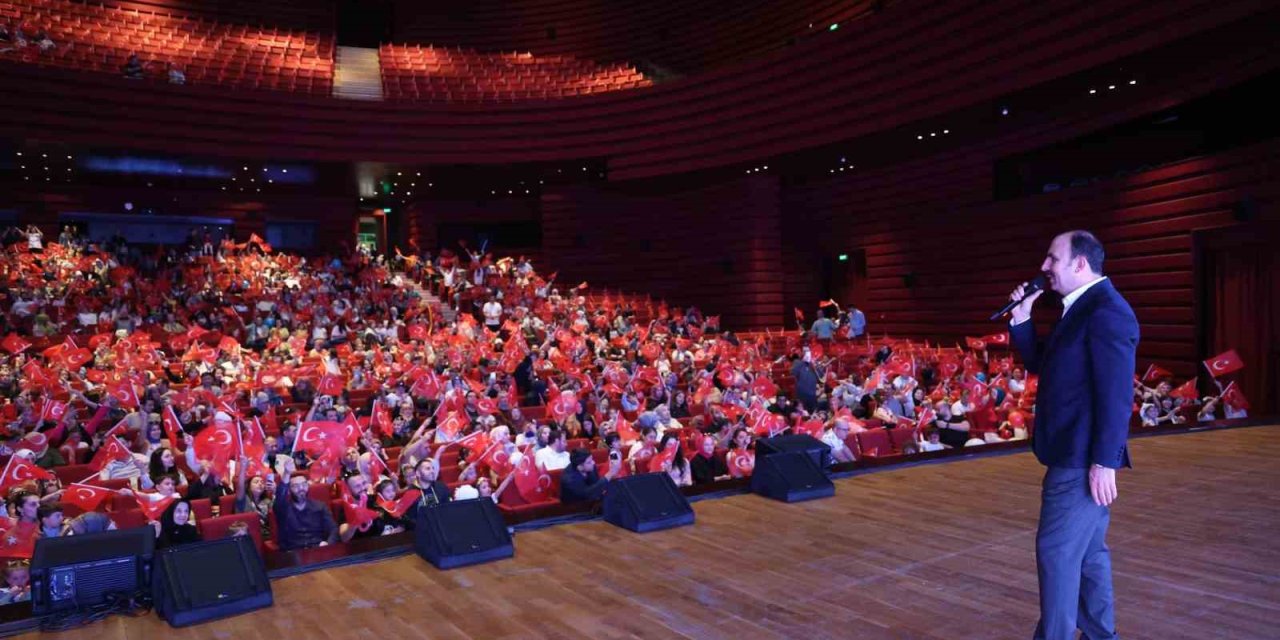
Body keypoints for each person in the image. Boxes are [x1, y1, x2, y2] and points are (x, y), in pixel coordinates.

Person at [1009, 230, 1138, 640]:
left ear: (1080, 264)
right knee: (1087, 557)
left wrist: (1105, 461)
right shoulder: (1079, 308)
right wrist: (1022, 317)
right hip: (1074, 454)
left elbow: (1117, 396)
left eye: (1053, 258)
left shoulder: (1107, 312)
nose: (1044, 267)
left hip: (1080, 461)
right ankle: (1102, 635)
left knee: (1058, 556)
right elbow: (1044, 363)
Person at [273, 473, 338, 550]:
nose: (301, 488)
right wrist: (287, 472)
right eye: (296, 486)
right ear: (289, 490)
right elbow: (280, 495)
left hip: (317, 549)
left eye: (304, 484)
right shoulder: (282, 508)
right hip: (293, 553)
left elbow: (333, 529)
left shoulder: (320, 506)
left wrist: (328, 543)